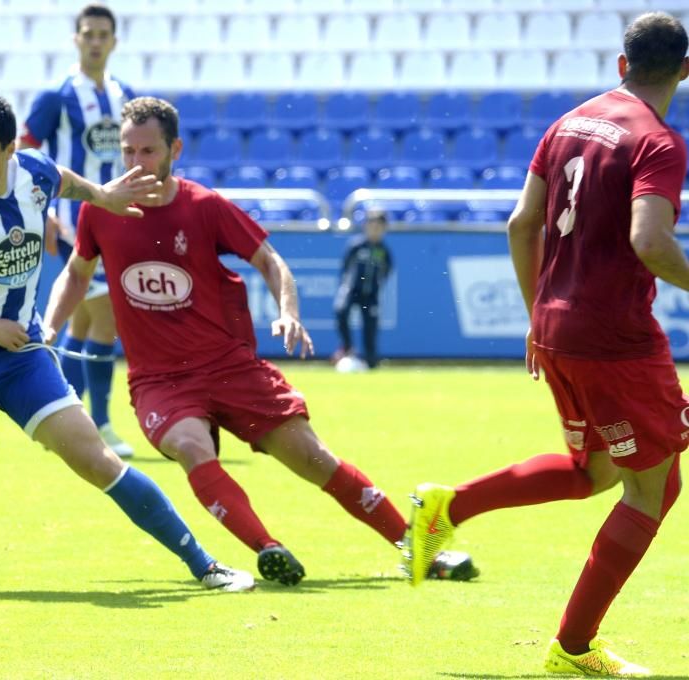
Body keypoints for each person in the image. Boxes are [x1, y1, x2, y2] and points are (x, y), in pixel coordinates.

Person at [44, 96, 477, 586]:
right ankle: (267, 548)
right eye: (127, 152)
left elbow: (270, 261)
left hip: (230, 366)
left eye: (147, 151)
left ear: (175, 150)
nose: (135, 163)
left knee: (314, 459)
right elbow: (77, 274)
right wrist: (50, 326)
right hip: (161, 380)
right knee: (190, 445)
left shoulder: (205, 207)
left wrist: (289, 312)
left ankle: (417, 550)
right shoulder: (100, 211)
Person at [403, 12, 689, 676]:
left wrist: (539, 314)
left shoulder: (568, 122)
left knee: (596, 472)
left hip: (559, 327)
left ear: (621, 65)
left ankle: (450, 506)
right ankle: (573, 647)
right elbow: (650, 243)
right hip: (614, 339)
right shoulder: (659, 142)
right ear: (684, 69)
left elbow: (520, 222)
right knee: (654, 487)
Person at [0, 93, 254, 594]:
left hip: (19, 354)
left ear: (10, 149)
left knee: (98, 461)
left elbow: (64, 179)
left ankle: (204, 565)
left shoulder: (33, 173)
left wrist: (102, 196)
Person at [17, 3, 134, 457]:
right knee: (107, 315)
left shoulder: (125, 95)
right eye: (88, 33)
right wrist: (42, 208)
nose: (96, 41)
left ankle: (63, 418)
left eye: (103, 34)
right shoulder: (57, 96)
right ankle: (100, 422)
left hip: (116, 222)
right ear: (76, 39)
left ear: (114, 41)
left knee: (85, 320)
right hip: (71, 222)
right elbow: (26, 151)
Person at [332, 209, 392, 373]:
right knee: (341, 311)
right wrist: (347, 285)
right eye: (371, 225)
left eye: (378, 226)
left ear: (384, 228)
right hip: (352, 291)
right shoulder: (356, 246)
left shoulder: (384, 251)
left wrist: (376, 286)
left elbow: (387, 271)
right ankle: (348, 348)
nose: (374, 229)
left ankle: (371, 360)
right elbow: (345, 268)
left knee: (370, 326)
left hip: (371, 295)